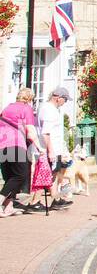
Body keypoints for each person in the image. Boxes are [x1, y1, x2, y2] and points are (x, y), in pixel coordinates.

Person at [1, 87, 41, 217]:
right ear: (29, 99)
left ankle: (8, 207)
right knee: (21, 175)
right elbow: (31, 132)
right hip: (16, 144)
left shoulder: (7, 108)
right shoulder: (26, 109)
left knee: (9, 176)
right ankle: (1, 200)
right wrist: (40, 148)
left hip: (2, 144)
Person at [38, 87, 74, 209]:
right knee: (47, 174)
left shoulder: (50, 109)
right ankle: (34, 201)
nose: (65, 102)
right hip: (50, 148)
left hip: (55, 147)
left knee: (53, 173)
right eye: (65, 99)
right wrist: (51, 151)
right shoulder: (49, 110)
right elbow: (46, 132)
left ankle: (56, 199)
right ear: (58, 98)